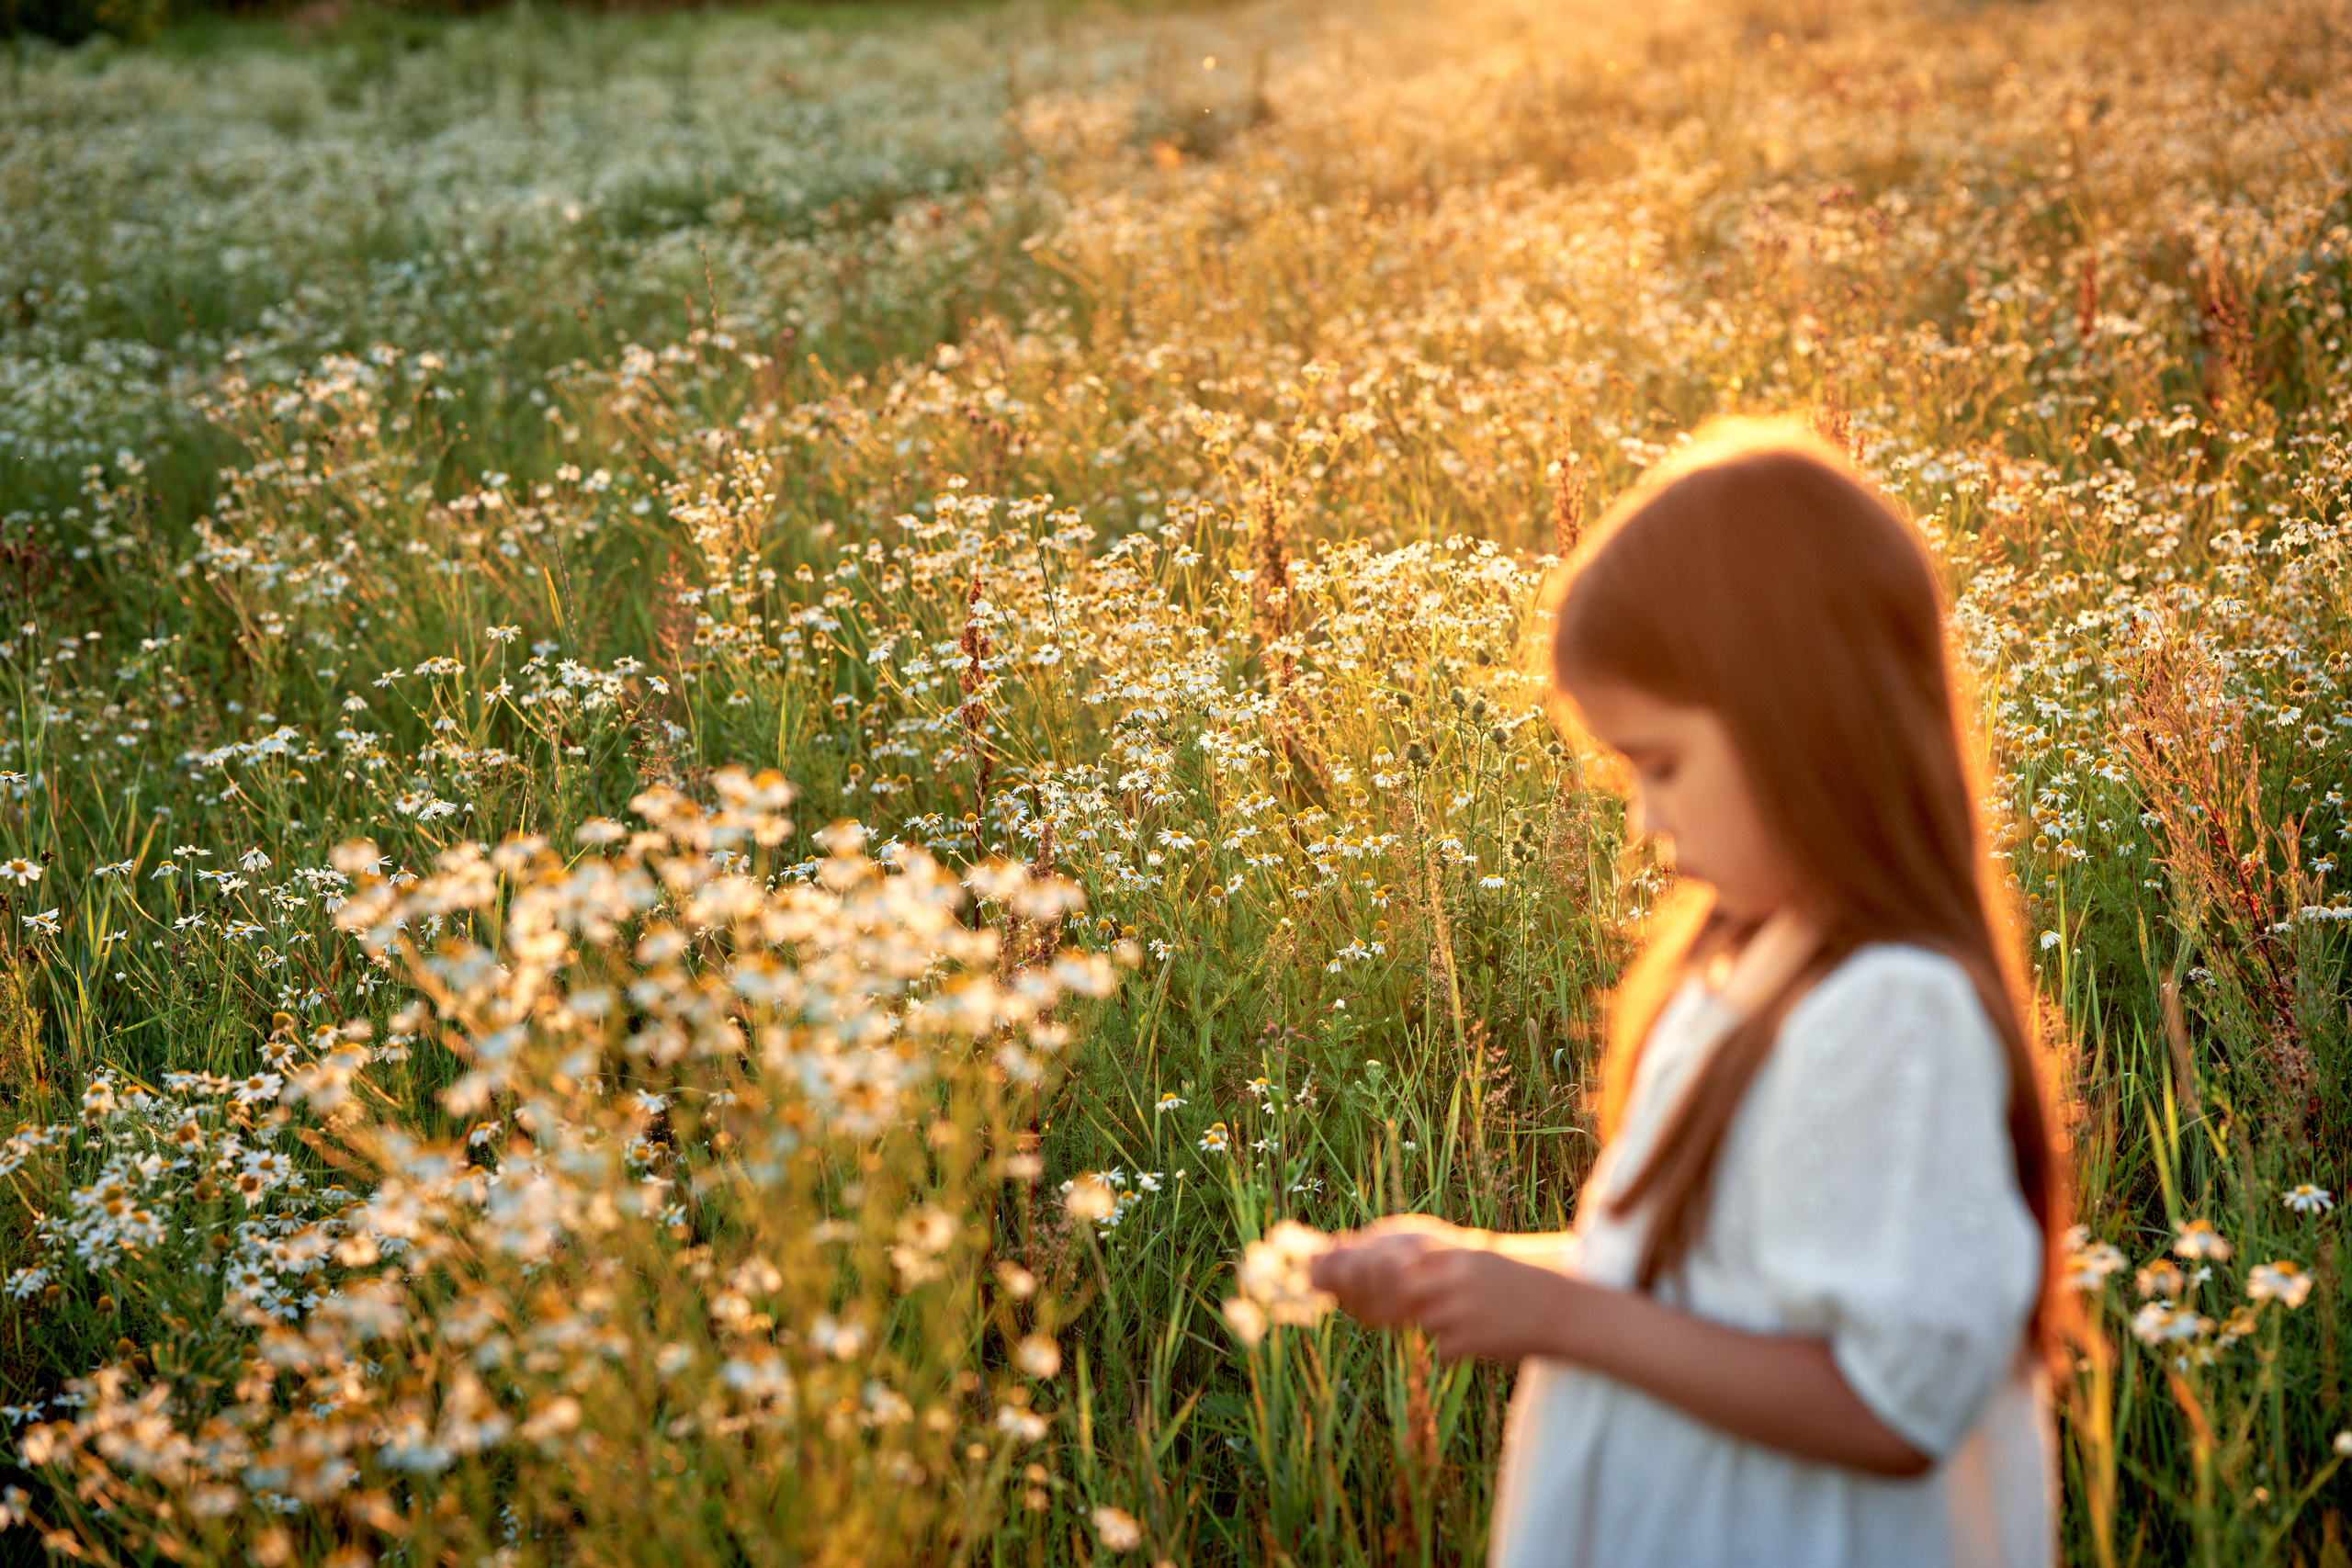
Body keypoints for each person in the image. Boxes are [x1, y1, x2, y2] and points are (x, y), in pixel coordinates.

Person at [1310, 418, 2063, 1568]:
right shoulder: (1748, 968)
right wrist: (1484, 1272)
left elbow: (1893, 1407)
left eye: (1658, 764)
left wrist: (1562, 1319)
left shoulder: (1887, 1011)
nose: (1645, 819)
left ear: (1806, 722)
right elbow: (1713, 1294)